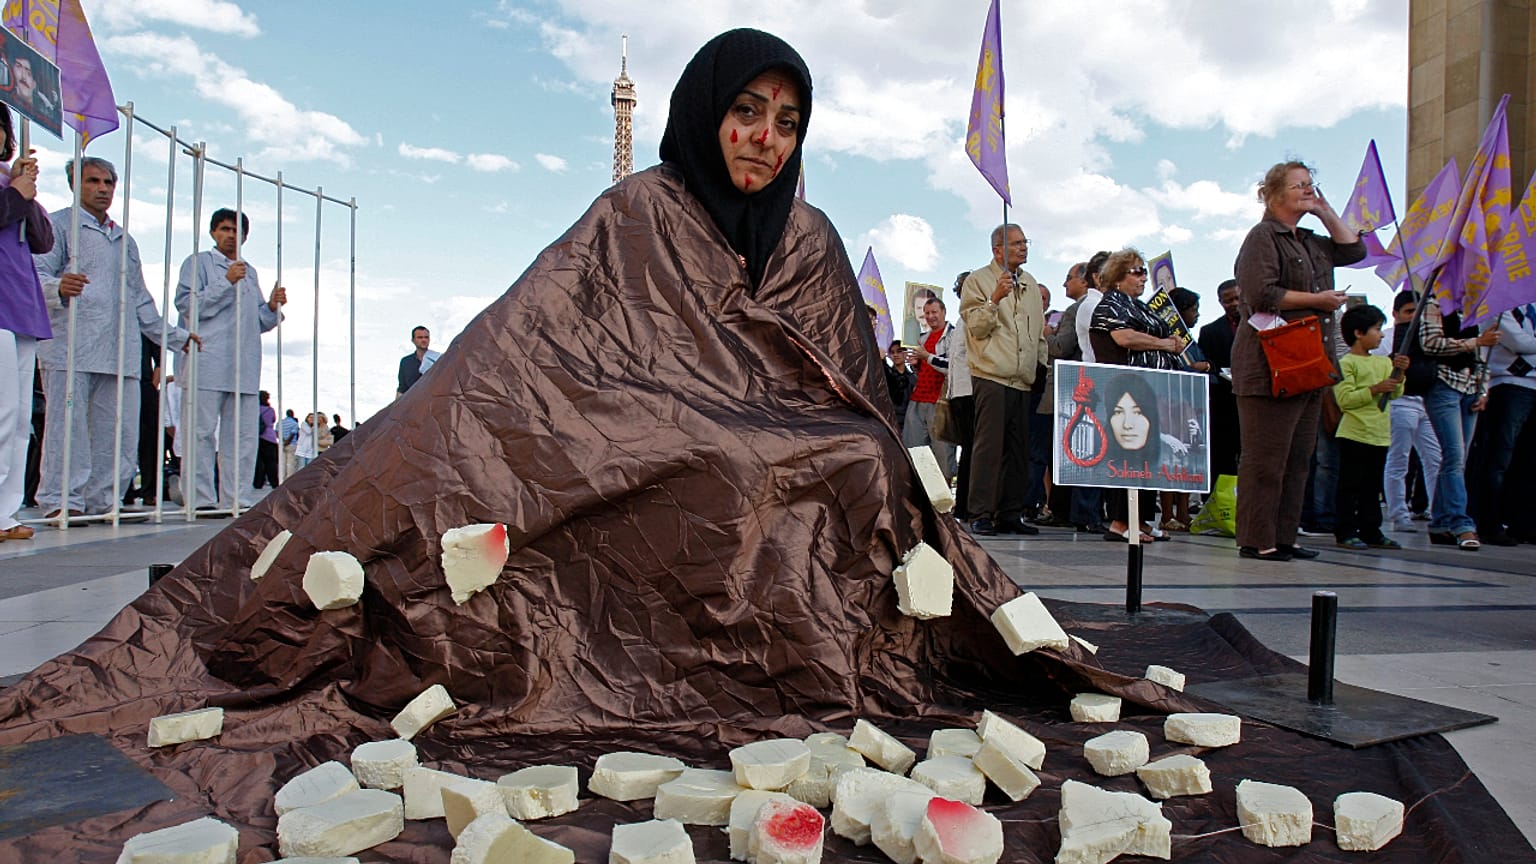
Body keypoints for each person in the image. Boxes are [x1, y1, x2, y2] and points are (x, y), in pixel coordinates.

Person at [34, 157, 197, 518]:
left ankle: (104, 501)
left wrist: (176, 337)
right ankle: (62, 501)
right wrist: (57, 287)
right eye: (94, 181)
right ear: (75, 183)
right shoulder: (57, 226)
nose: (103, 189)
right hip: (70, 346)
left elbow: (140, 300)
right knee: (67, 429)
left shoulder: (125, 239)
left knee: (118, 433)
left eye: (109, 182)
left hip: (120, 350)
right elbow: (37, 273)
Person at [1231, 160, 1364, 561]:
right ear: (1272, 194)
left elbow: (1354, 250)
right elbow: (1261, 292)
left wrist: (1325, 212)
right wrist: (1317, 301)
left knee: (1298, 456)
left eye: (1310, 183)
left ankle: (1285, 534)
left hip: (1309, 361)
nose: (1307, 189)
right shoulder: (1262, 237)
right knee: (1266, 457)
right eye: (1298, 185)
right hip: (1270, 361)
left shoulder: (1310, 240)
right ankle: (1257, 538)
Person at [175, 208, 286, 512]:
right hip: (208, 360)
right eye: (225, 229)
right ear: (213, 232)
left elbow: (258, 320)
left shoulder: (249, 271)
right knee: (200, 434)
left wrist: (273, 307)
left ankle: (235, 497)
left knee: (242, 437)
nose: (230, 236)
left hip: (244, 364)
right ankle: (200, 499)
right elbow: (188, 306)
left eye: (237, 231)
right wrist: (225, 282)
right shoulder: (199, 264)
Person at [1089, 248, 1183, 543]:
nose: (1144, 277)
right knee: (1127, 455)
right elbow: (1124, 337)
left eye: (1144, 271)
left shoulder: (1138, 306)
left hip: (1148, 389)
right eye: (1138, 271)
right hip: (1124, 390)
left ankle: (1140, 518)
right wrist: (1166, 344)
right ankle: (1120, 520)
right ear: (1118, 278)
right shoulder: (1111, 306)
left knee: (1147, 454)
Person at [959, 224, 1046, 537]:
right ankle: (980, 511)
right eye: (1016, 243)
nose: (1024, 247)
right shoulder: (978, 280)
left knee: (1018, 450)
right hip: (992, 373)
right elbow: (977, 326)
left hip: (1022, 377)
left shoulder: (1031, 284)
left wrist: (1041, 365)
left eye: (1025, 241)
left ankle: (1010, 512)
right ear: (998, 250)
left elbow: (1038, 332)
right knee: (989, 447)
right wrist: (995, 298)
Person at [0, 106, 51, 541]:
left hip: (20, 308)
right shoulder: (8, 189)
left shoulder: (11, 182)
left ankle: (5, 512)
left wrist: (25, 191)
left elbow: (42, 240)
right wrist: (16, 194)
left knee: (17, 419)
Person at [1419, 298, 1497, 550]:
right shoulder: (1435, 302)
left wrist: (1483, 389)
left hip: (1470, 386)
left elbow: (1482, 355)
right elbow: (1430, 343)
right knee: (1454, 454)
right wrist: (1476, 342)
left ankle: (1440, 523)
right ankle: (1461, 524)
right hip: (1443, 383)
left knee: (1456, 459)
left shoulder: (1477, 303)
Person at [1333, 304, 1407, 550]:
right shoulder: (1347, 363)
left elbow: (1395, 393)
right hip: (1354, 432)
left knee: (1372, 486)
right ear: (1358, 332)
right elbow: (1345, 400)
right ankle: (1345, 529)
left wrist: (1399, 374)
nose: (1382, 334)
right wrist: (1374, 389)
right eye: (1376, 329)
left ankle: (1371, 529)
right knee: (1350, 485)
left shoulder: (1383, 363)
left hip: (1379, 434)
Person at [1466, 304, 1536, 545]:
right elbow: (1518, 342)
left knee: (1528, 460)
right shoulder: (1499, 303)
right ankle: (1488, 522)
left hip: (1532, 384)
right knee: (1498, 457)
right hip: (1508, 382)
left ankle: (1523, 523)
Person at [1373, 290, 1439, 532]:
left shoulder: (1429, 338)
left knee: (1436, 459)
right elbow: (1377, 369)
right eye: (1409, 312)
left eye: (1418, 312)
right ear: (1395, 313)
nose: (1414, 317)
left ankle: (1438, 511)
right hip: (1400, 403)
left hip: (1426, 403)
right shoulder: (1386, 338)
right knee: (1398, 459)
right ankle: (1399, 514)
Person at [902, 295, 954, 480]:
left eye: (934, 312)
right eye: (927, 313)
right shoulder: (922, 338)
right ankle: (920, 498)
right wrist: (916, 364)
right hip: (918, 399)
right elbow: (921, 370)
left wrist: (927, 357)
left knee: (942, 454)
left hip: (940, 402)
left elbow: (953, 367)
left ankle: (944, 503)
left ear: (944, 312)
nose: (931, 317)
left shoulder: (953, 336)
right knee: (914, 451)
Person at [1198, 279, 1242, 477]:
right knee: (1223, 461)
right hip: (1224, 406)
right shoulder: (1210, 332)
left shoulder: (1264, 324)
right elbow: (1207, 367)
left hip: (1257, 404)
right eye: (1228, 300)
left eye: (1237, 298)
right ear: (1220, 302)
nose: (1233, 303)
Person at [946, 271, 976, 520]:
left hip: (966, 391)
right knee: (969, 448)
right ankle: (965, 503)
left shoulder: (969, 319)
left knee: (971, 449)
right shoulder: (964, 320)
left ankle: (966, 503)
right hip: (962, 393)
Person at [397, 326, 440, 397]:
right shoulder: (406, 362)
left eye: (426, 337)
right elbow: (402, 388)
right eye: (420, 337)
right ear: (413, 340)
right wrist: (397, 407)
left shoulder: (438, 359)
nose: (424, 340)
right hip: (413, 403)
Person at [253, 390, 279, 490]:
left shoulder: (254, 409)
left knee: (258, 462)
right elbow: (272, 420)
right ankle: (274, 482)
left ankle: (258, 483)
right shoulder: (270, 410)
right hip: (270, 437)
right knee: (271, 462)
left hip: (257, 437)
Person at [279, 408, 299, 478]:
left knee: (282, 463)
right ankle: (289, 479)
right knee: (290, 463)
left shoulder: (280, 422)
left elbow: (277, 432)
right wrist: (287, 442)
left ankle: (281, 478)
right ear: (292, 414)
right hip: (291, 444)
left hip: (281, 444)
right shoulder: (294, 423)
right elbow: (292, 434)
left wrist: (283, 441)